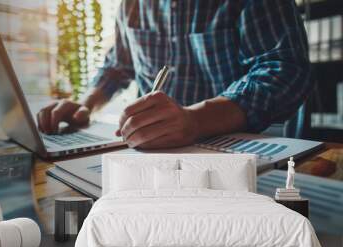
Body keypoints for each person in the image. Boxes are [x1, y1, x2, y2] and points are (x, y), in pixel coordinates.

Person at [38, 0, 312, 149]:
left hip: (234, 155)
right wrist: (84, 105)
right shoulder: (131, 6)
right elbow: (116, 67)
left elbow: (285, 70)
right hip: (151, 154)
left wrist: (195, 119)